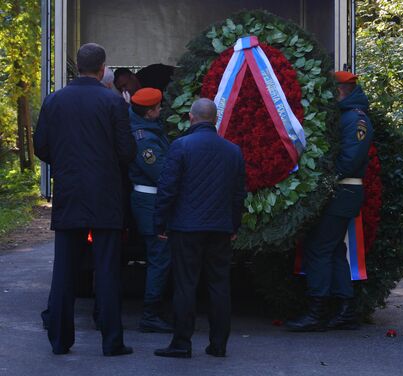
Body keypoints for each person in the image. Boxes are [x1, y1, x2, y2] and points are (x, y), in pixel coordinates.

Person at [33, 43, 136, 356]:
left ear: (77, 66)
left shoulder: (54, 101)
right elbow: (127, 152)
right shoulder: (112, 102)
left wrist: (65, 163)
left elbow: (41, 147)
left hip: (69, 192)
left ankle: (60, 340)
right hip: (105, 194)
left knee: (64, 270)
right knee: (107, 269)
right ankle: (111, 341)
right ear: (102, 68)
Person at [153, 98, 246, 358]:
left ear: (191, 118)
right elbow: (238, 194)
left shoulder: (180, 146)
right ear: (214, 119)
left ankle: (182, 343)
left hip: (186, 227)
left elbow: (167, 189)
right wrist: (234, 225)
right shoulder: (233, 151)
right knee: (219, 286)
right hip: (220, 227)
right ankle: (218, 345)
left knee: (185, 285)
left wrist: (160, 223)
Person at [286, 71, 374, 332]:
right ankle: (345, 310)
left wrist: (323, 182)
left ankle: (318, 311)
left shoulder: (356, 120)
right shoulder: (347, 117)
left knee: (319, 249)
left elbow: (350, 159)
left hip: (342, 192)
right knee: (333, 249)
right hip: (339, 192)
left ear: (339, 91)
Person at [127, 87, 173, 333]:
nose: (161, 110)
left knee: (160, 257)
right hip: (150, 203)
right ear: (148, 113)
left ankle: (155, 309)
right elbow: (161, 174)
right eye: (158, 108)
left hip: (151, 202)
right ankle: (151, 313)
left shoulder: (148, 130)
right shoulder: (144, 138)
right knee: (159, 258)